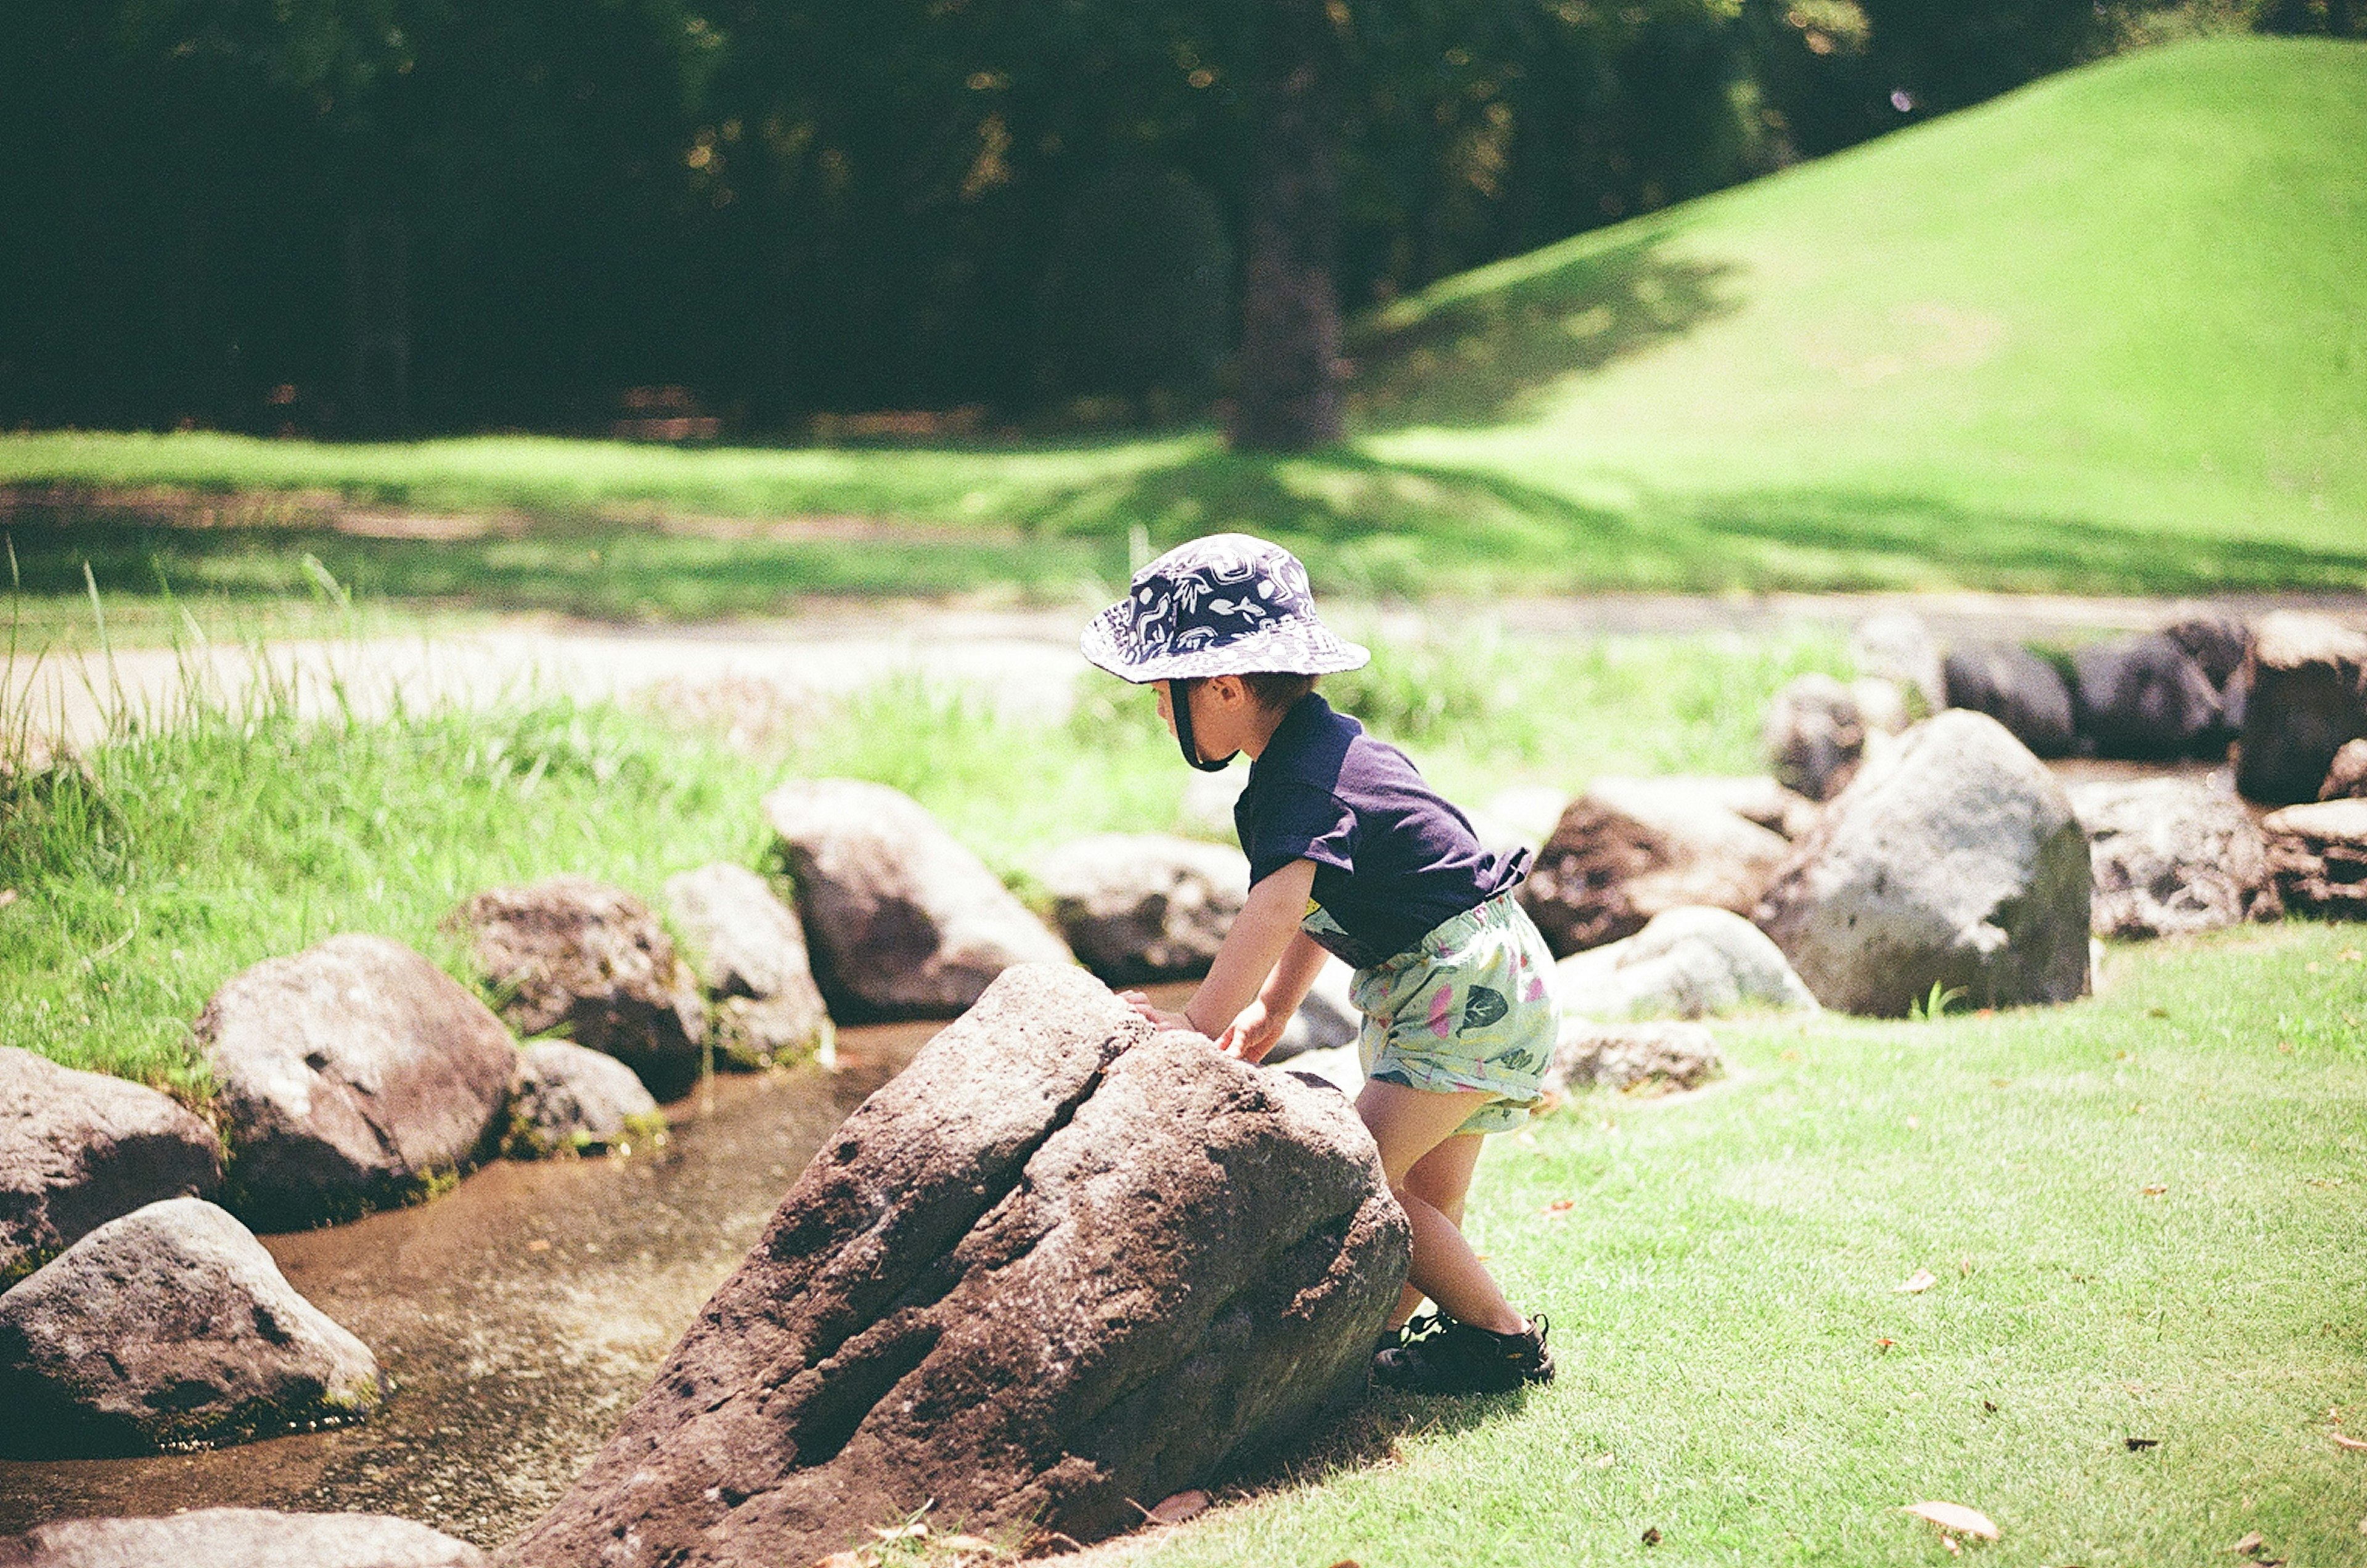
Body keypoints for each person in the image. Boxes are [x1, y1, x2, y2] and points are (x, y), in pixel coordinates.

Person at [1080, 533, 1558, 1396]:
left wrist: (1199, 1022)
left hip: (1455, 990)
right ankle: (1379, 1345)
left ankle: (1501, 1340)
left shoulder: (1295, 784)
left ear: (1223, 687)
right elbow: (1313, 905)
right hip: (1493, 972)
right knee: (1421, 1191)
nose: (1157, 710)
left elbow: (1273, 905)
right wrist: (1268, 1012)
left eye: (1162, 690)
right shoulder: (1326, 749)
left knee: (1363, 1175)